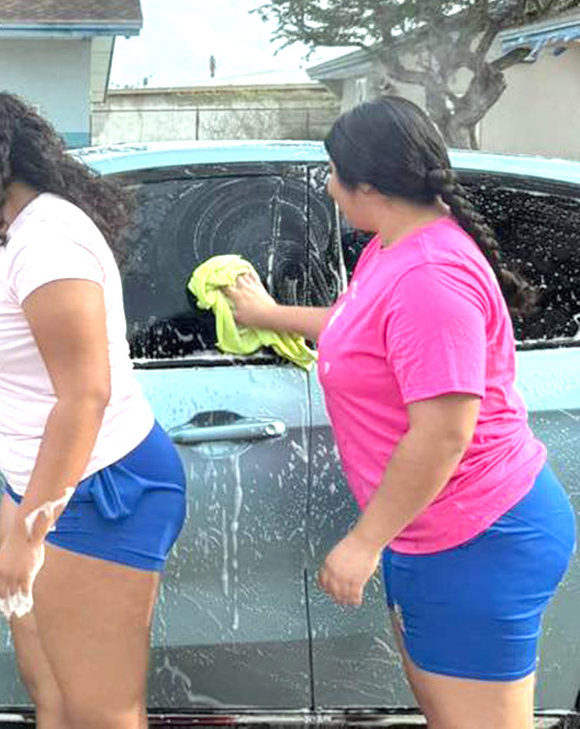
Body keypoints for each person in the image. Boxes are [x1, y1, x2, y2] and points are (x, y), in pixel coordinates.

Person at [226, 96, 574, 729]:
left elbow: (443, 433)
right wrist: (269, 315)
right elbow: (360, 326)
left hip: (477, 537)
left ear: (371, 186)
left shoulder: (431, 277)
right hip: (439, 531)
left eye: (335, 175)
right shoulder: (393, 247)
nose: (329, 189)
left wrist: (364, 543)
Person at [0, 80, 186, 728]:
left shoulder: (48, 242)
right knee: (55, 697)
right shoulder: (10, 228)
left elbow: (85, 394)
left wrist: (29, 534)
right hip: (42, 487)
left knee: (101, 711)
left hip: (98, 489)